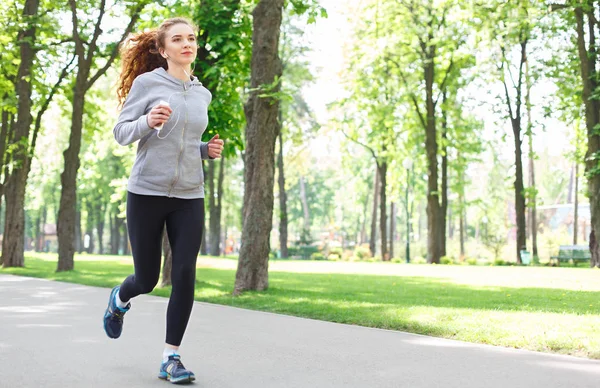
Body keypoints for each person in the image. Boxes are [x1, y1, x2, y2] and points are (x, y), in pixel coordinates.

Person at [102, 17, 224, 384]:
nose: (187, 44)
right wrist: (147, 122)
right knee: (147, 278)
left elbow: (184, 143)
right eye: (178, 39)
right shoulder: (147, 83)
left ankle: (171, 358)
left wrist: (206, 150)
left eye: (191, 38)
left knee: (185, 272)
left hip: (189, 194)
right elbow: (121, 133)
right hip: (147, 192)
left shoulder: (202, 93)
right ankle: (119, 299)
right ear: (162, 49)